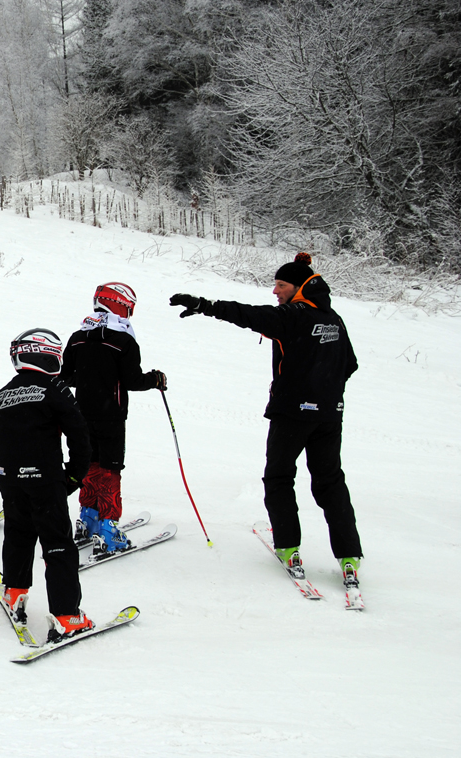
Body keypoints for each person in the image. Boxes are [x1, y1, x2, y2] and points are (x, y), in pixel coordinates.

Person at [170, 252, 362, 591]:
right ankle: (349, 555)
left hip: (292, 414)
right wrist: (324, 391)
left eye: (281, 285)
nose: (275, 291)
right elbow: (350, 364)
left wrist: (204, 304)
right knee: (330, 483)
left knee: (278, 477)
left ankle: (288, 547)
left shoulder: (292, 316)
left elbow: (248, 315)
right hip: (330, 415)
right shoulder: (333, 318)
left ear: (300, 286)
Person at [0, 328, 93, 642]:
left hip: (10, 479)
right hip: (45, 480)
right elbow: (79, 434)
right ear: (47, 354)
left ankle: (15, 591)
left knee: (18, 535)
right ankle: (66, 615)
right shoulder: (55, 387)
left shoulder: (0, 395)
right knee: (58, 544)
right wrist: (73, 476)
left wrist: (8, 472)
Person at [60, 282, 166, 554]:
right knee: (110, 468)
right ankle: (108, 527)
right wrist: (155, 379)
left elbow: (65, 375)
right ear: (120, 305)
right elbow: (132, 380)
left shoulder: (78, 336)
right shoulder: (123, 340)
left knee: (88, 464)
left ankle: (88, 517)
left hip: (82, 415)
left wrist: (88, 378)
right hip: (111, 416)